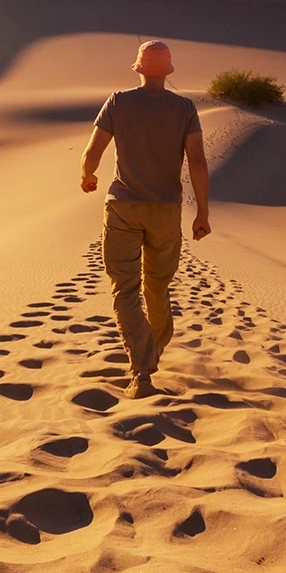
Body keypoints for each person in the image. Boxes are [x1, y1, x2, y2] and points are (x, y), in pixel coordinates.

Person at [80, 40, 211, 398]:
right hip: (166, 210)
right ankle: (150, 355)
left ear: (138, 68)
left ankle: (141, 365)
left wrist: (87, 176)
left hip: (123, 206)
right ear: (168, 70)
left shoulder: (118, 102)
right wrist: (203, 212)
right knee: (157, 287)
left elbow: (93, 151)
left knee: (124, 289)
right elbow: (197, 162)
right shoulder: (184, 108)